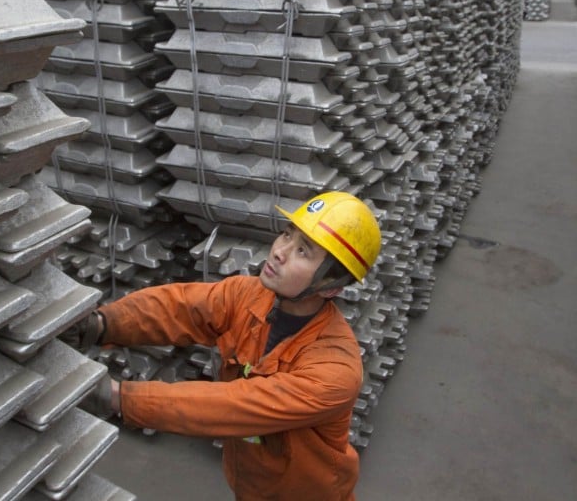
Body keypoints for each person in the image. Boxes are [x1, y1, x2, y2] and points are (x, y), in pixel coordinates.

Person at [67, 191, 381, 501]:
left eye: (303, 251)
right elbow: (178, 308)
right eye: (287, 235)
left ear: (331, 288)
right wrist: (101, 324)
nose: (279, 252)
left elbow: (233, 404)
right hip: (250, 482)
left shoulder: (334, 370)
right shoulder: (248, 296)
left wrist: (118, 398)